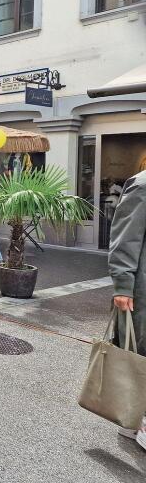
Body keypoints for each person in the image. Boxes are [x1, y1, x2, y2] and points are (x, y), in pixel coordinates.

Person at [107, 171, 146, 449]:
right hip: (141, 290)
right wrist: (123, 285)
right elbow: (125, 235)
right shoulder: (143, 185)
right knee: (138, 355)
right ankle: (133, 422)